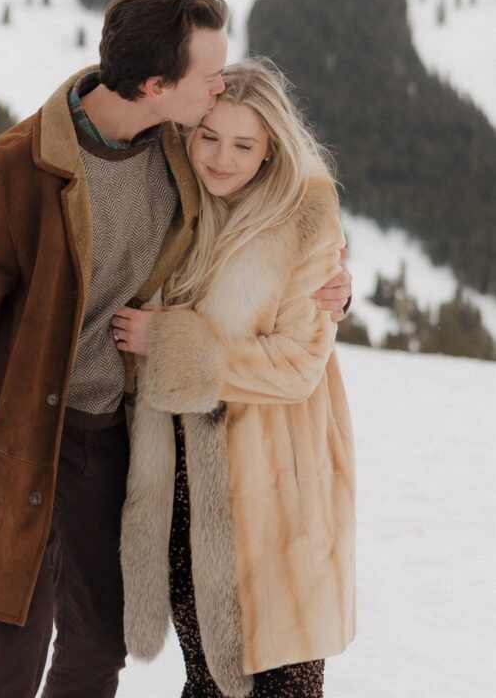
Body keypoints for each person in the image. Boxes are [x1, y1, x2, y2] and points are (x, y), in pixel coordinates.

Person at [0, 0, 352, 698]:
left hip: (115, 440)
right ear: (155, 85)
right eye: (207, 76)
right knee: (6, 657)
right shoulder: (10, 172)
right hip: (18, 442)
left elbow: (272, 198)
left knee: (96, 650)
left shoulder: (178, 151)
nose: (218, 89)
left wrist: (335, 278)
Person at [114, 58, 356, 698]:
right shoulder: (175, 205)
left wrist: (170, 343)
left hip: (279, 491)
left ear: (271, 146)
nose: (220, 158)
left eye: (243, 144)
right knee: (212, 682)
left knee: (287, 683)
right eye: (208, 136)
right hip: (193, 488)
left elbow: (298, 364)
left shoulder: (305, 219)